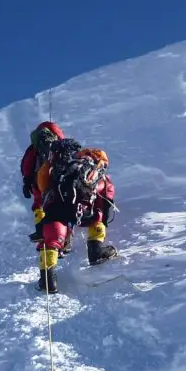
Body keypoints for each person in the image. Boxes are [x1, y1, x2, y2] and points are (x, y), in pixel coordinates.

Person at [34, 138, 118, 293]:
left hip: (57, 207)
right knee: (97, 215)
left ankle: (48, 278)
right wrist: (102, 218)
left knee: (52, 237)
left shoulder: (66, 166)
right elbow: (106, 199)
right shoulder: (99, 175)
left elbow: (43, 181)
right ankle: (96, 250)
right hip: (84, 212)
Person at [20, 121, 64, 237]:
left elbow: (27, 164)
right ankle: (60, 233)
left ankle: (40, 229)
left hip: (37, 179)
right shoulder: (62, 145)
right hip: (58, 179)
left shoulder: (34, 148)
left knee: (38, 204)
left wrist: (27, 181)